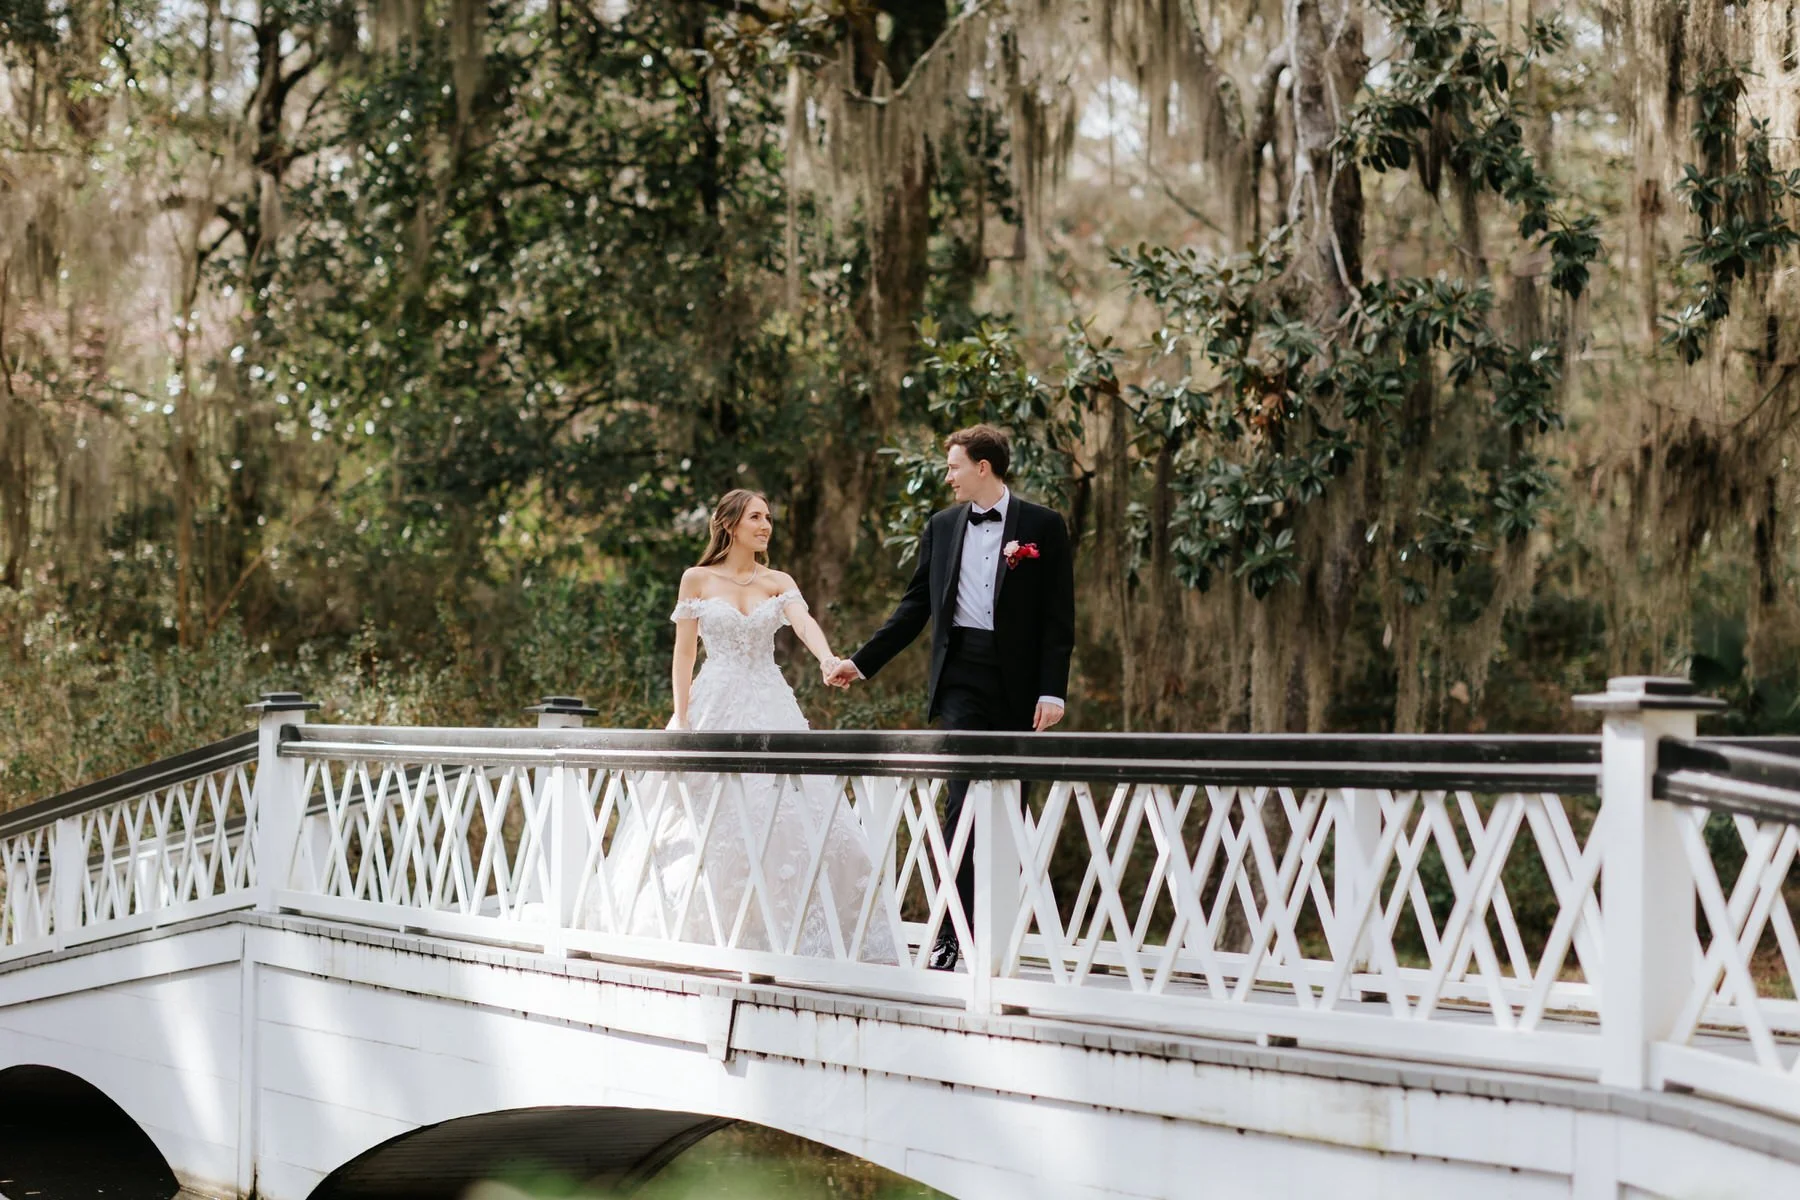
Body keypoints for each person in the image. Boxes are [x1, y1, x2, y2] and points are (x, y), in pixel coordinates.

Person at [588, 489, 899, 965]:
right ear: (729, 524)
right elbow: (684, 654)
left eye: (768, 517)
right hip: (715, 703)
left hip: (771, 703)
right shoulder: (696, 578)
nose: (765, 525)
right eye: (756, 517)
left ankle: (793, 931)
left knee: (792, 814)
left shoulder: (777, 581)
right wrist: (682, 717)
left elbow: (803, 623)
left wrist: (827, 658)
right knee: (709, 818)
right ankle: (706, 925)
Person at [826, 424, 1076, 970]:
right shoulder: (941, 527)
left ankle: (997, 934)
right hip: (961, 678)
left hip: (1021, 686)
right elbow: (914, 607)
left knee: (1011, 806)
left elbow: (1059, 617)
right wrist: (861, 662)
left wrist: (1052, 691)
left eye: (954, 466)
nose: (948, 477)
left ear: (983, 467)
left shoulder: (1044, 525)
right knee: (961, 802)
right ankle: (949, 934)